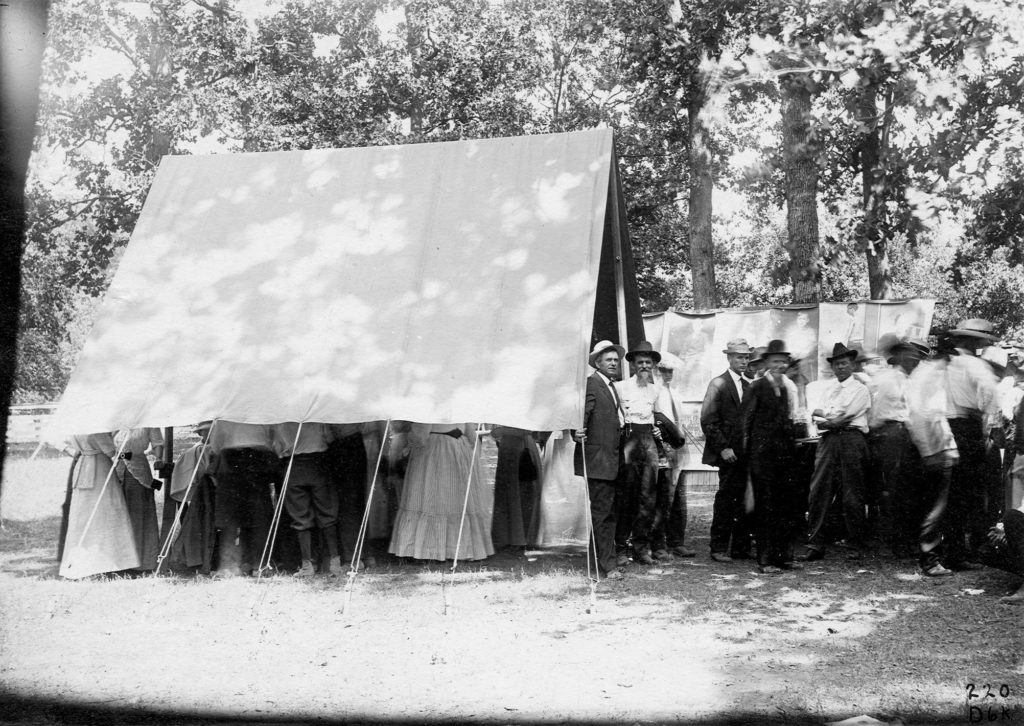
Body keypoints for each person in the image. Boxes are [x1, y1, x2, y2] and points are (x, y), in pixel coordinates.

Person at [799, 342, 872, 561]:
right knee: (819, 491)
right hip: (828, 441)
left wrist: (828, 416)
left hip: (851, 439)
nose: (840, 367)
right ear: (832, 367)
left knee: (852, 494)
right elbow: (816, 415)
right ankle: (815, 545)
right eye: (837, 364)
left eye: (844, 363)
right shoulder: (828, 389)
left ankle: (855, 544)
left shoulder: (860, 390)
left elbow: (843, 417)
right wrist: (829, 417)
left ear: (852, 365)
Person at [388, 422, 494, 562]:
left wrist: (407, 444)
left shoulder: (430, 403)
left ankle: (428, 549)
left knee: (432, 497)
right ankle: (460, 548)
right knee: (457, 499)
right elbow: (471, 435)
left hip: (435, 450)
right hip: (459, 447)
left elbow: (420, 435)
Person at [944, 319, 1001, 570]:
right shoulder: (976, 366)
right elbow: (990, 397)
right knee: (971, 493)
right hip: (967, 427)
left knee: (951, 493)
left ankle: (953, 549)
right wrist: (986, 425)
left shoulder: (943, 365)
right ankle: (966, 551)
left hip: (945, 426)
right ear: (976, 342)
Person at [742, 340, 799, 573]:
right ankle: (765, 561)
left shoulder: (787, 387)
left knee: (785, 506)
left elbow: (791, 420)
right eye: (775, 361)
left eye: (783, 361)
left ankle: (784, 557)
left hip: (784, 458)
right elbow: (744, 422)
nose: (780, 365)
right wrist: (749, 456)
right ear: (766, 363)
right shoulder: (756, 387)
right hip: (761, 457)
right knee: (765, 507)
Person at [866, 336, 926, 558]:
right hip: (893, 435)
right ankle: (894, 542)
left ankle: (900, 540)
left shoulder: (903, 380)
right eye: (910, 356)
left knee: (902, 489)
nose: (915, 360)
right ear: (899, 356)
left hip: (898, 435)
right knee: (894, 489)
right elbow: (879, 413)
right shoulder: (890, 380)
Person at [573, 340, 626, 580]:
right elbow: (581, 414)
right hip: (598, 460)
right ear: (597, 363)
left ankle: (600, 559)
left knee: (607, 512)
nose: (614, 363)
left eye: (616, 360)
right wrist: (576, 431)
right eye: (609, 360)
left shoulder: (611, 386)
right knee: (603, 513)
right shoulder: (592, 384)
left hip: (611, 460)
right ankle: (607, 565)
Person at [905, 342, 958, 576]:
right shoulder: (931, 377)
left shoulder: (926, 376)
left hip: (934, 449)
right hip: (934, 450)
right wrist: (934, 451)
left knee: (932, 506)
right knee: (934, 508)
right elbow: (925, 417)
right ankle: (930, 560)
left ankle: (930, 556)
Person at [60, 432, 141, 579]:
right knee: (106, 513)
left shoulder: (76, 426)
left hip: (83, 464)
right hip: (99, 468)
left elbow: (64, 442)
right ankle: (105, 563)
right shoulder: (96, 427)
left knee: (83, 515)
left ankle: (84, 562)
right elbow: (110, 450)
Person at [701, 338, 753, 563]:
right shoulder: (718, 384)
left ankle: (741, 547)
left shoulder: (749, 385)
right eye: (739, 357)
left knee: (745, 500)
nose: (743, 361)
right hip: (728, 454)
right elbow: (708, 420)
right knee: (726, 499)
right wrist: (723, 448)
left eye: (746, 357)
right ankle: (718, 547)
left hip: (746, 454)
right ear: (729, 358)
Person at [615, 340, 665, 566]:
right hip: (629, 440)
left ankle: (642, 548)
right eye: (640, 362)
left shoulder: (656, 390)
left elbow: (658, 417)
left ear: (653, 366)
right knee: (626, 496)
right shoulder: (621, 387)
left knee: (648, 497)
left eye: (648, 362)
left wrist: (657, 428)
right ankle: (620, 549)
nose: (644, 366)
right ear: (633, 366)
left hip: (649, 443)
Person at [271, 422, 343, 577]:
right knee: (327, 513)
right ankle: (335, 564)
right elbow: (330, 438)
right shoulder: (316, 417)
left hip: (293, 467)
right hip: (318, 464)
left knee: (300, 517)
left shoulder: (281, 422)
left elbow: (277, 448)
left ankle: (307, 566)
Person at [207, 421, 277, 578]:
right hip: (254, 463)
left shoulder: (224, 417)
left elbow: (216, 445)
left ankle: (231, 566)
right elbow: (274, 441)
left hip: (233, 464)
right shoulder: (263, 417)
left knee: (231, 518)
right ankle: (258, 564)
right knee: (258, 517)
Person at [650, 352, 695, 560]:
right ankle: (658, 542)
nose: (668, 374)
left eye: (670, 371)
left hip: (677, 449)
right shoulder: (653, 393)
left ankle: (677, 541)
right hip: (661, 448)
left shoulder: (674, 394)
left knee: (678, 497)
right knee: (661, 496)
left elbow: (678, 423)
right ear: (655, 371)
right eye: (663, 370)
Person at [166, 420, 215, 574]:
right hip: (205, 492)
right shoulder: (199, 450)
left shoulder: (210, 449)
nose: (206, 434)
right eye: (204, 431)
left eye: (209, 431)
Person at [113, 427, 164, 573]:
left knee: (138, 516)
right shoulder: (119, 421)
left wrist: (158, 458)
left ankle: (141, 562)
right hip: (117, 471)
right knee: (120, 516)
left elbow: (158, 443)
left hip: (138, 473)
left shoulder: (148, 423)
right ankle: (120, 561)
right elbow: (109, 446)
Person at [490, 426, 542, 551]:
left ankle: (517, 537)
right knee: (516, 492)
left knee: (522, 492)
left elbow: (495, 432)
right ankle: (515, 537)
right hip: (515, 447)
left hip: (518, 447)